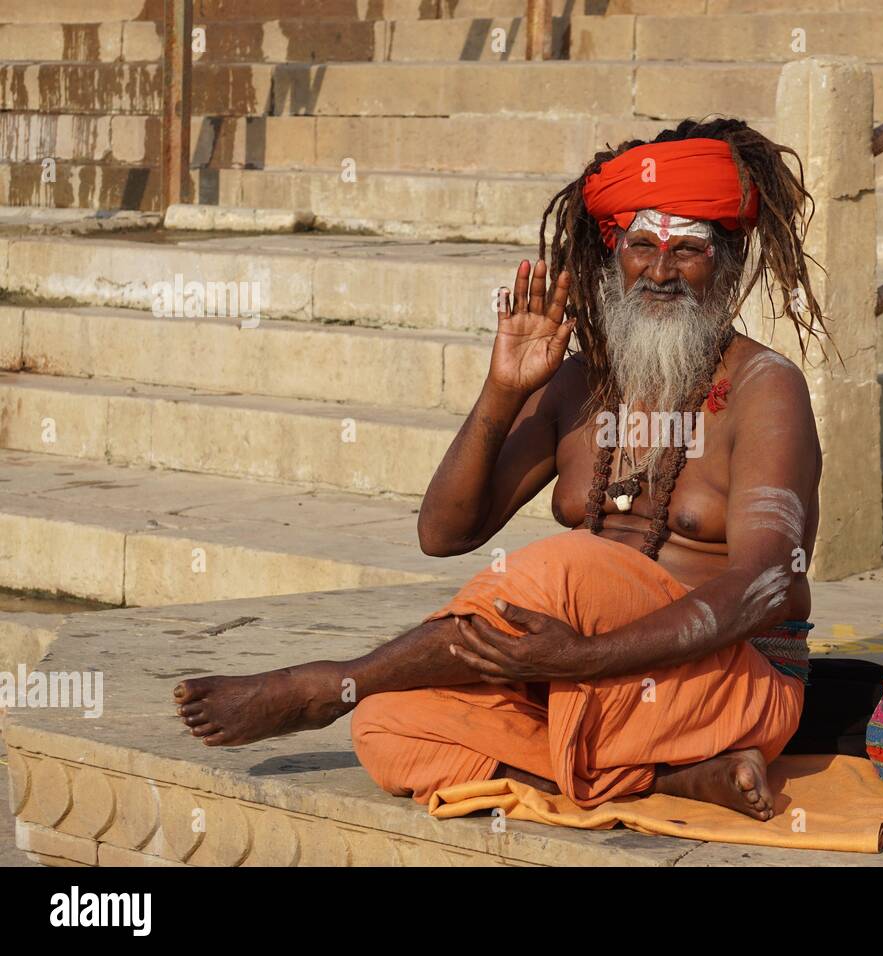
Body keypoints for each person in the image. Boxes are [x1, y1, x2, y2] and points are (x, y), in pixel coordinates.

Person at [174, 118, 832, 822]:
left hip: (724, 683)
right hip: (593, 689)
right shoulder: (579, 384)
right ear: (614, 258)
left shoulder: (766, 388)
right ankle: (667, 779)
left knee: (564, 569)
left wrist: (584, 658)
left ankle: (320, 687)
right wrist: (505, 388)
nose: (660, 271)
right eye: (641, 246)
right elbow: (443, 532)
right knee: (387, 724)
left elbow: (765, 585)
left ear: (726, 265)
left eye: (687, 251)